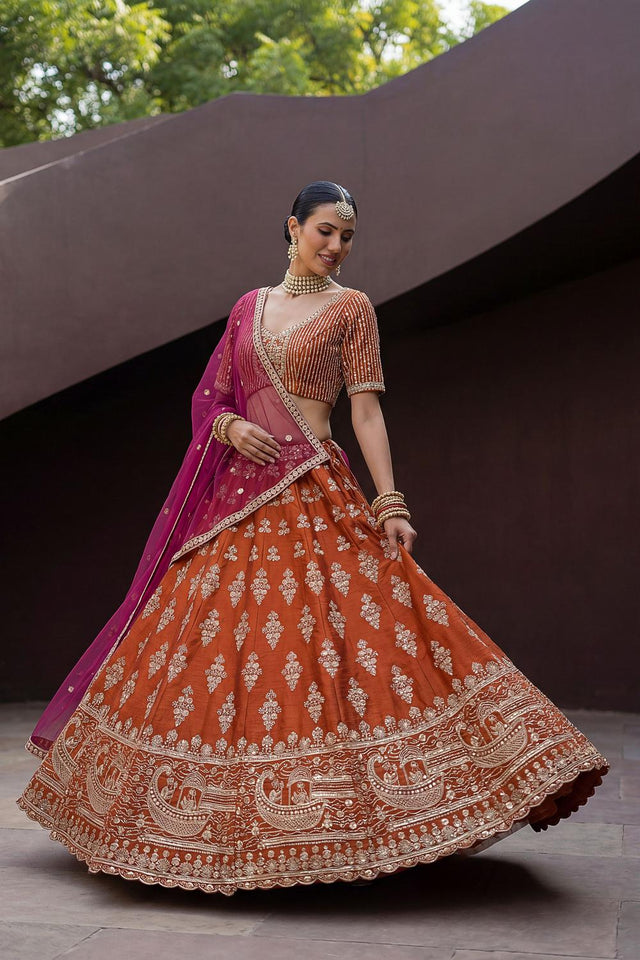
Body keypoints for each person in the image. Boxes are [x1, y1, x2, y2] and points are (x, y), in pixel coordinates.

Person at [17, 180, 608, 895]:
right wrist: (230, 426)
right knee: (210, 649)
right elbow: (212, 400)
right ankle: (188, 825)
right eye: (326, 230)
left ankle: (355, 820)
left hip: (314, 490)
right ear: (293, 228)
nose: (336, 246)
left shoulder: (352, 309)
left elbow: (365, 413)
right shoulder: (249, 309)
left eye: (348, 236)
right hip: (238, 502)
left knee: (359, 638)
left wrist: (389, 499)